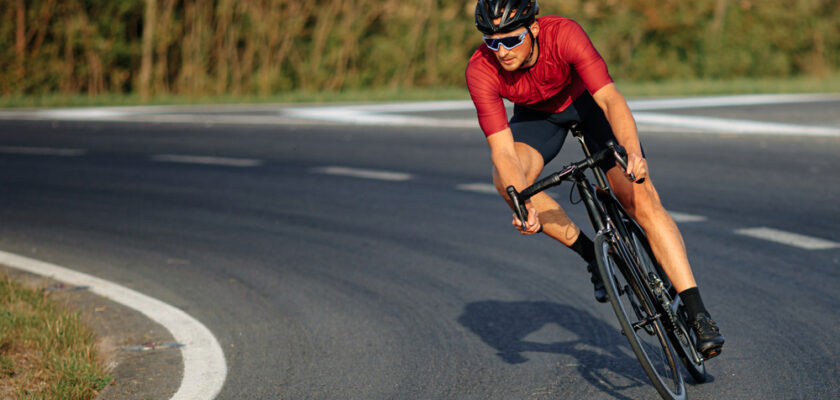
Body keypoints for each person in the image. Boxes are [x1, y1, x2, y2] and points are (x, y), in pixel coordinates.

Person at [465, 0, 724, 358]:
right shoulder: (480, 69)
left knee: (641, 198)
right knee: (505, 182)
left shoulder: (564, 34)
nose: (501, 52)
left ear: (534, 29)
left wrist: (632, 152)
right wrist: (520, 200)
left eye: (510, 40)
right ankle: (593, 257)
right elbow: (504, 152)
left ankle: (698, 314)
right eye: (492, 43)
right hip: (537, 119)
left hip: (588, 106)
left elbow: (611, 99)